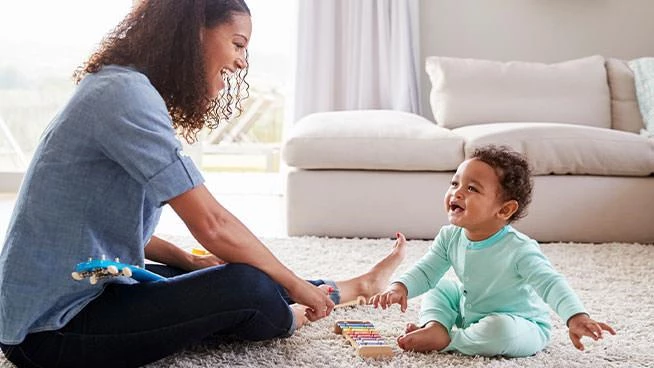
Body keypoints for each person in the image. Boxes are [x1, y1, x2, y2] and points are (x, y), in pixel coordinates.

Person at [0, 1, 408, 367]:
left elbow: (109, 227)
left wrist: (189, 262)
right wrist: (294, 287)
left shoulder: (122, 87)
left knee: (226, 271)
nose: (242, 61)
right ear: (195, 32)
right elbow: (212, 224)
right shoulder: (125, 96)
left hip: (82, 292)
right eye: (238, 43)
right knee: (246, 284)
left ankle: (354, 286)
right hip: (50, 331)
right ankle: (288, 316)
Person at [370, 145, 616, 357]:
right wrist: (400, 288)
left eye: (472, 189)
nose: (456, 192)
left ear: (505, 210)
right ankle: (435, 325)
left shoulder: (519, 249)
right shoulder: (450, 235)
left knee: (500, 331)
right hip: (468, 310)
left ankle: (449, 341)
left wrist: (576, 317)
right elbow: (427, 272)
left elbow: (551, 284)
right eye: (455, 183)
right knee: (440, 287)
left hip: (520, 323)